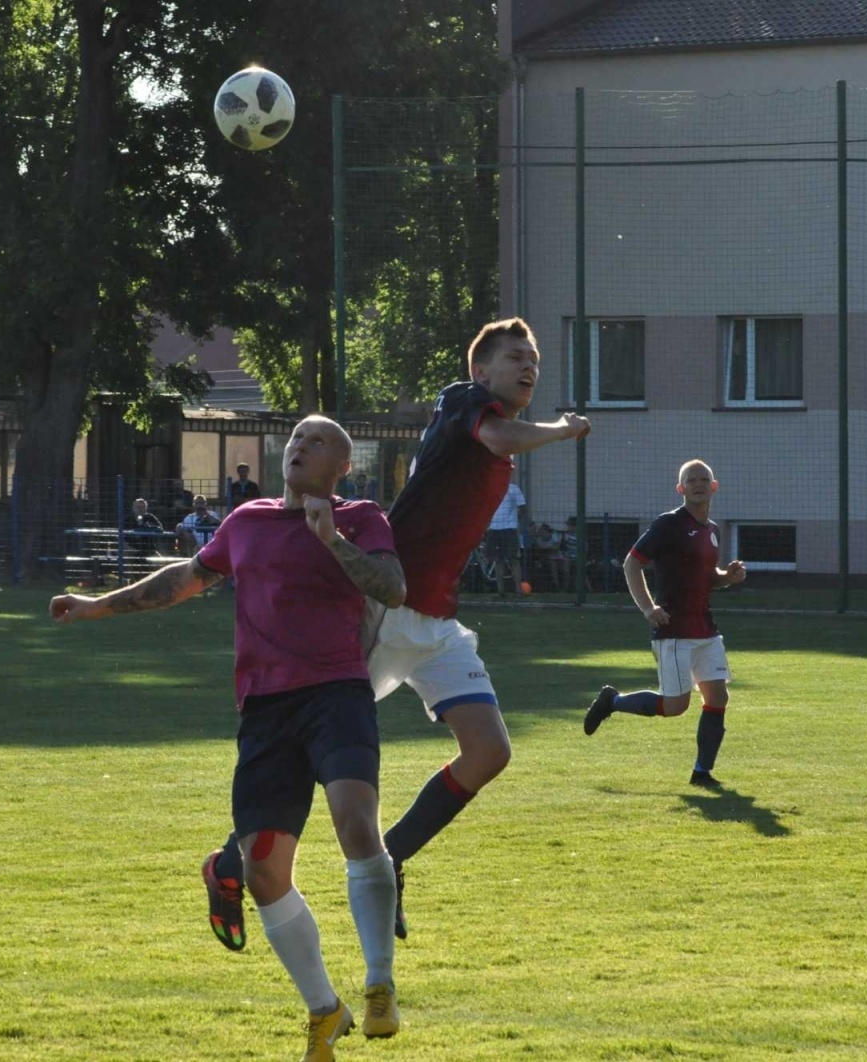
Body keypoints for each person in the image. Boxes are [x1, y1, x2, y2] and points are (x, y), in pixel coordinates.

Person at [202, 318, 590, 953]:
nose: (530, 369)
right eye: (517, 357)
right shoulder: (464, 403)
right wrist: (562, 428)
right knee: (305, 738)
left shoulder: (490, 421)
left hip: (436, 622)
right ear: (481, 371)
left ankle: (395, 855)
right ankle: (228, 862)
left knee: (490, 751)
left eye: (536, 362)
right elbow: (498, 435)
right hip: (385, 609)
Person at [50, 415, 408, 1059]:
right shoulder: (246, 523)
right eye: (295, 440)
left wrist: (333, 542)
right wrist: (96, 605)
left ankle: (380, 983)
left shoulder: (361, 518)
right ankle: (325, 1011)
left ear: (342, 466)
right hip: (266, 713)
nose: (300, 448)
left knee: (357, 823)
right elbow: (184, 579)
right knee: (266, 871)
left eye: (317, 442)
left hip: (337, 695)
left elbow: (393, 586)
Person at [582, 460, 747, 789]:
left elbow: (707, 578)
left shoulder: (712, 530)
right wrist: (648, 607)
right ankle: (612, 701)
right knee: (675, 706)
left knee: (718, 698)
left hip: (706, 630)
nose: (698, 484)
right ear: (680, 488)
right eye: (691, 480)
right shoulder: (668, 524)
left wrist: (728, 578)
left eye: (704, 479)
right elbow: (632, 563)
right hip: (673, 630)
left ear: (714, 487)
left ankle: (702, 773)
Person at [482, 477, 527, 596]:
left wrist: (513, 520)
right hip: (494, 529)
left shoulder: (513, 489)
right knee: (498, 560)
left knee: (513, 559)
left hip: (509, 529)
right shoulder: (491, 489)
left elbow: (522, 508)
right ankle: (500, 591)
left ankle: (518, 590)